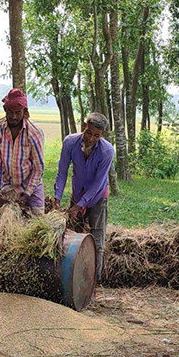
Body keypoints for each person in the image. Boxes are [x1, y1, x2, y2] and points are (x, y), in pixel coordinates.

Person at [53, 112, 114, 283]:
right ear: (83, 127)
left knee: (97, 240)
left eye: (97, 135)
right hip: (77, 193)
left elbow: (97, 183)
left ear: (101, 136)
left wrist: (80, 205)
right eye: (89, 132)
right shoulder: (70, 142)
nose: (91, 138)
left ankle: (94, 282)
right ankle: (72, 280)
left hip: (98, 197)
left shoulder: (107, 151)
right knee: (73, 237)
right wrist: (57, 198)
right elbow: (62, 172)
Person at [0, 88, 45, 222]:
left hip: (30, 185)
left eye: (18, 113)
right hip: (5, 186)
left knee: (38, 227)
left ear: (24, 112)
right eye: (10, 112)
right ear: (4, 110)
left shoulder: (34, 133)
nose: (14, 117)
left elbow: (38, 168)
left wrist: (26, 195)